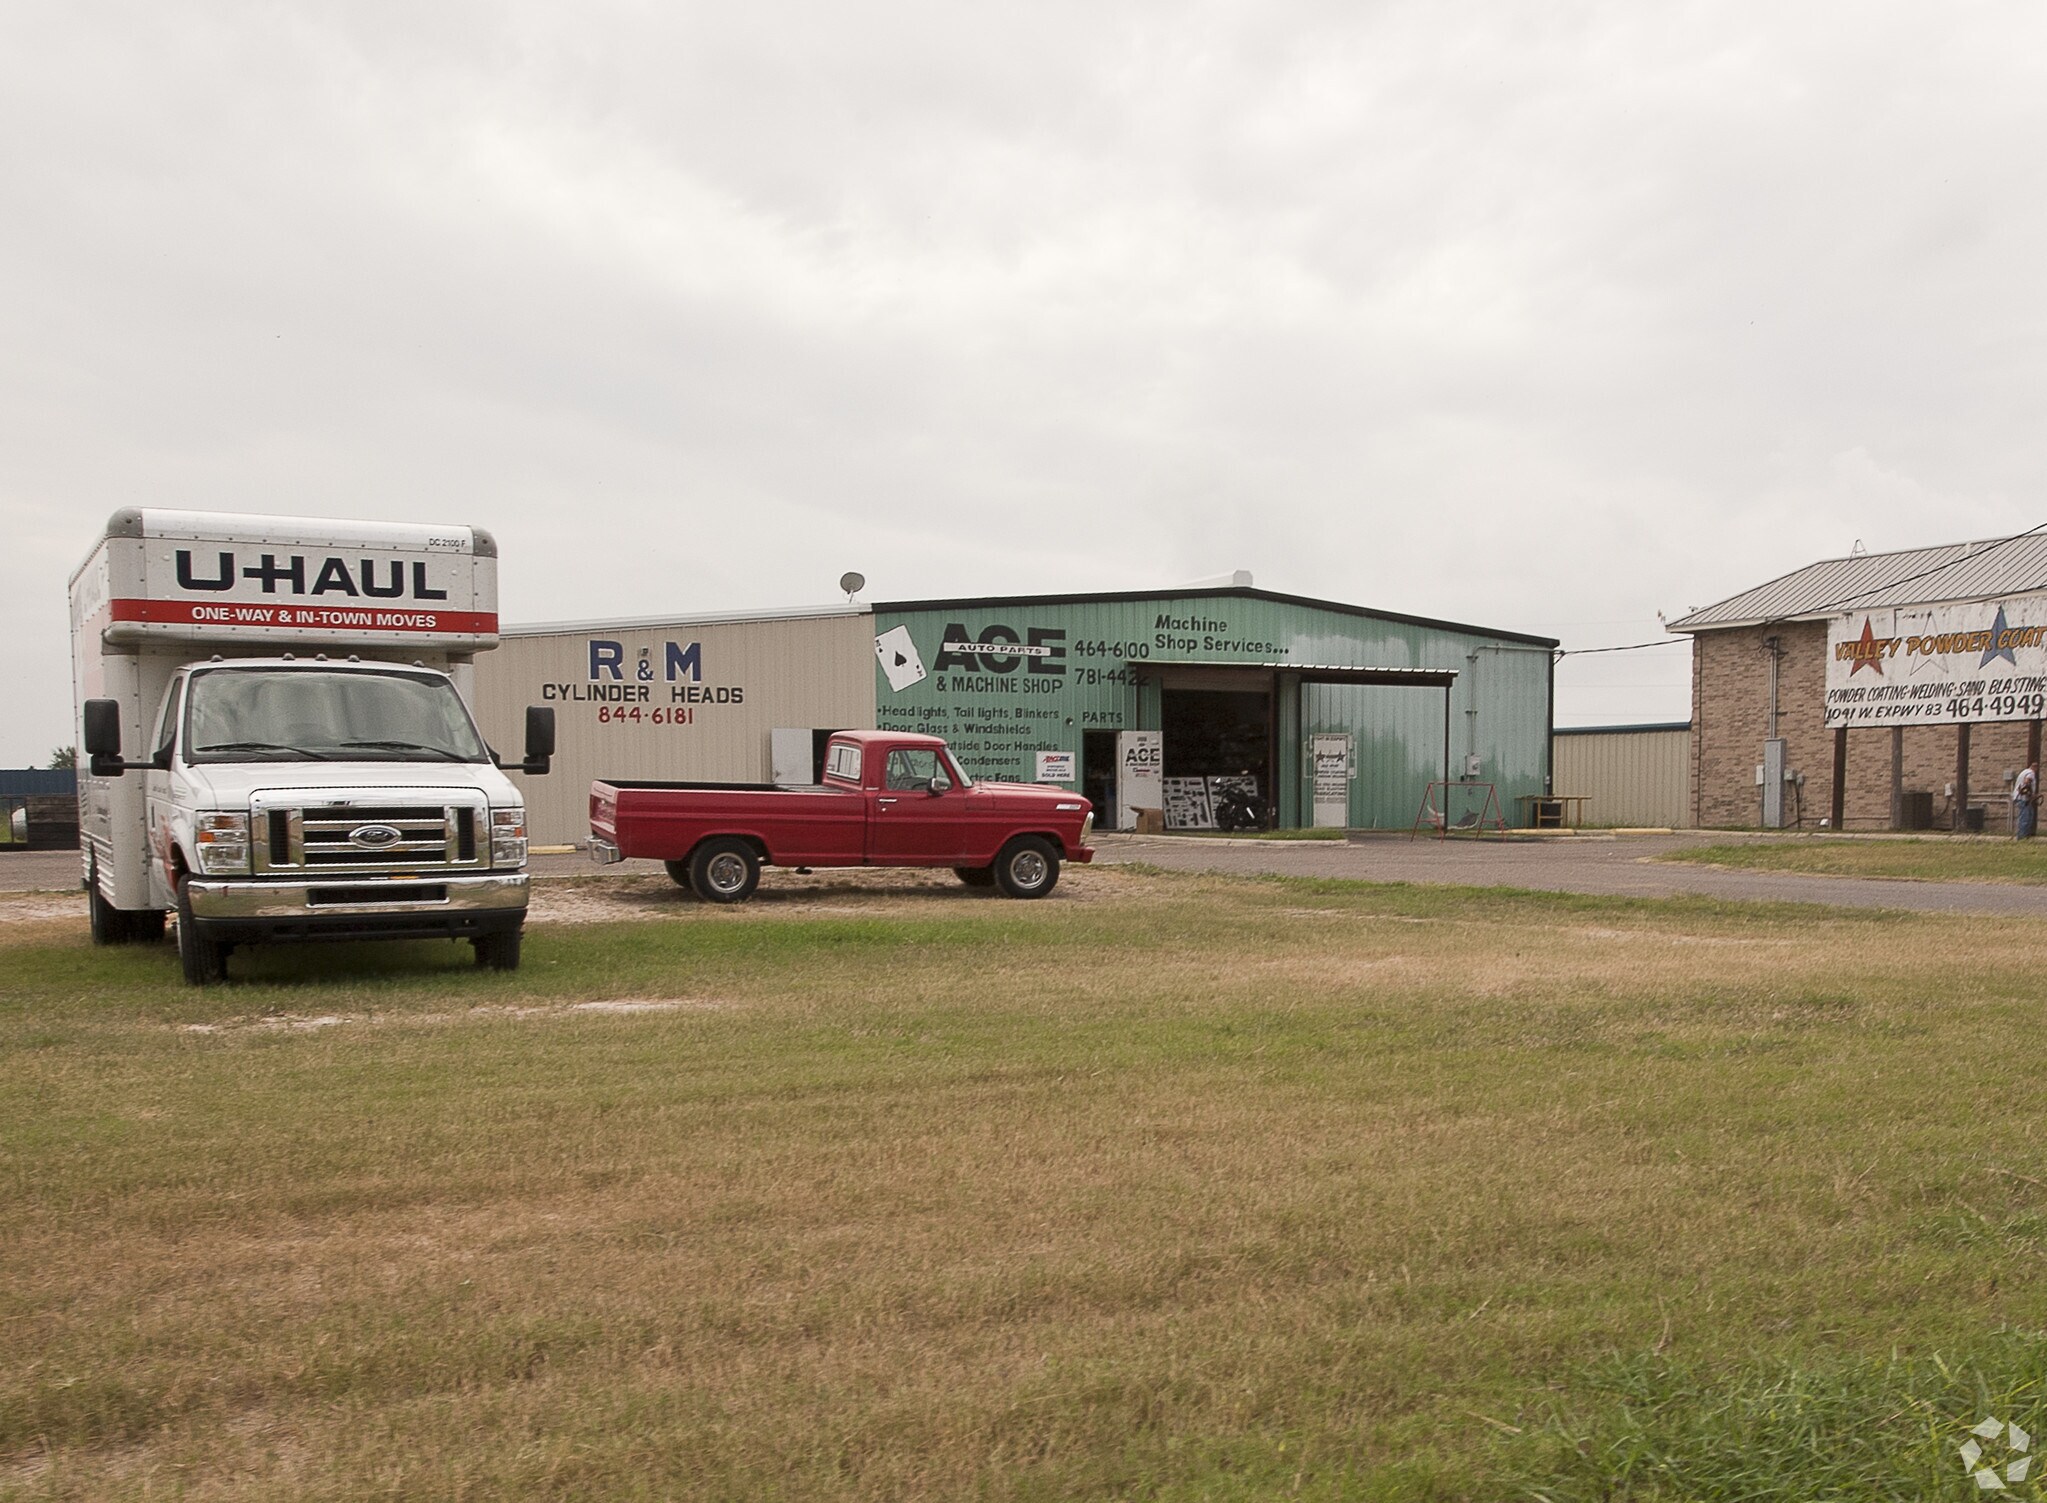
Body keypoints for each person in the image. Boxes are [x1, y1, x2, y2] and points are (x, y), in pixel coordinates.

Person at [2014, 761, 2038, 840]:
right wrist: (2030, 793)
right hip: (2023, 798)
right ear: (2035, 768)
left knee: (2030, 814)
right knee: (2025, 816)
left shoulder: (2024, 771)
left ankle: (2026, 833)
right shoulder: (2031, 773)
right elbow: (2027, 781)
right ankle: (2022, 836)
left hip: (2021, 797)